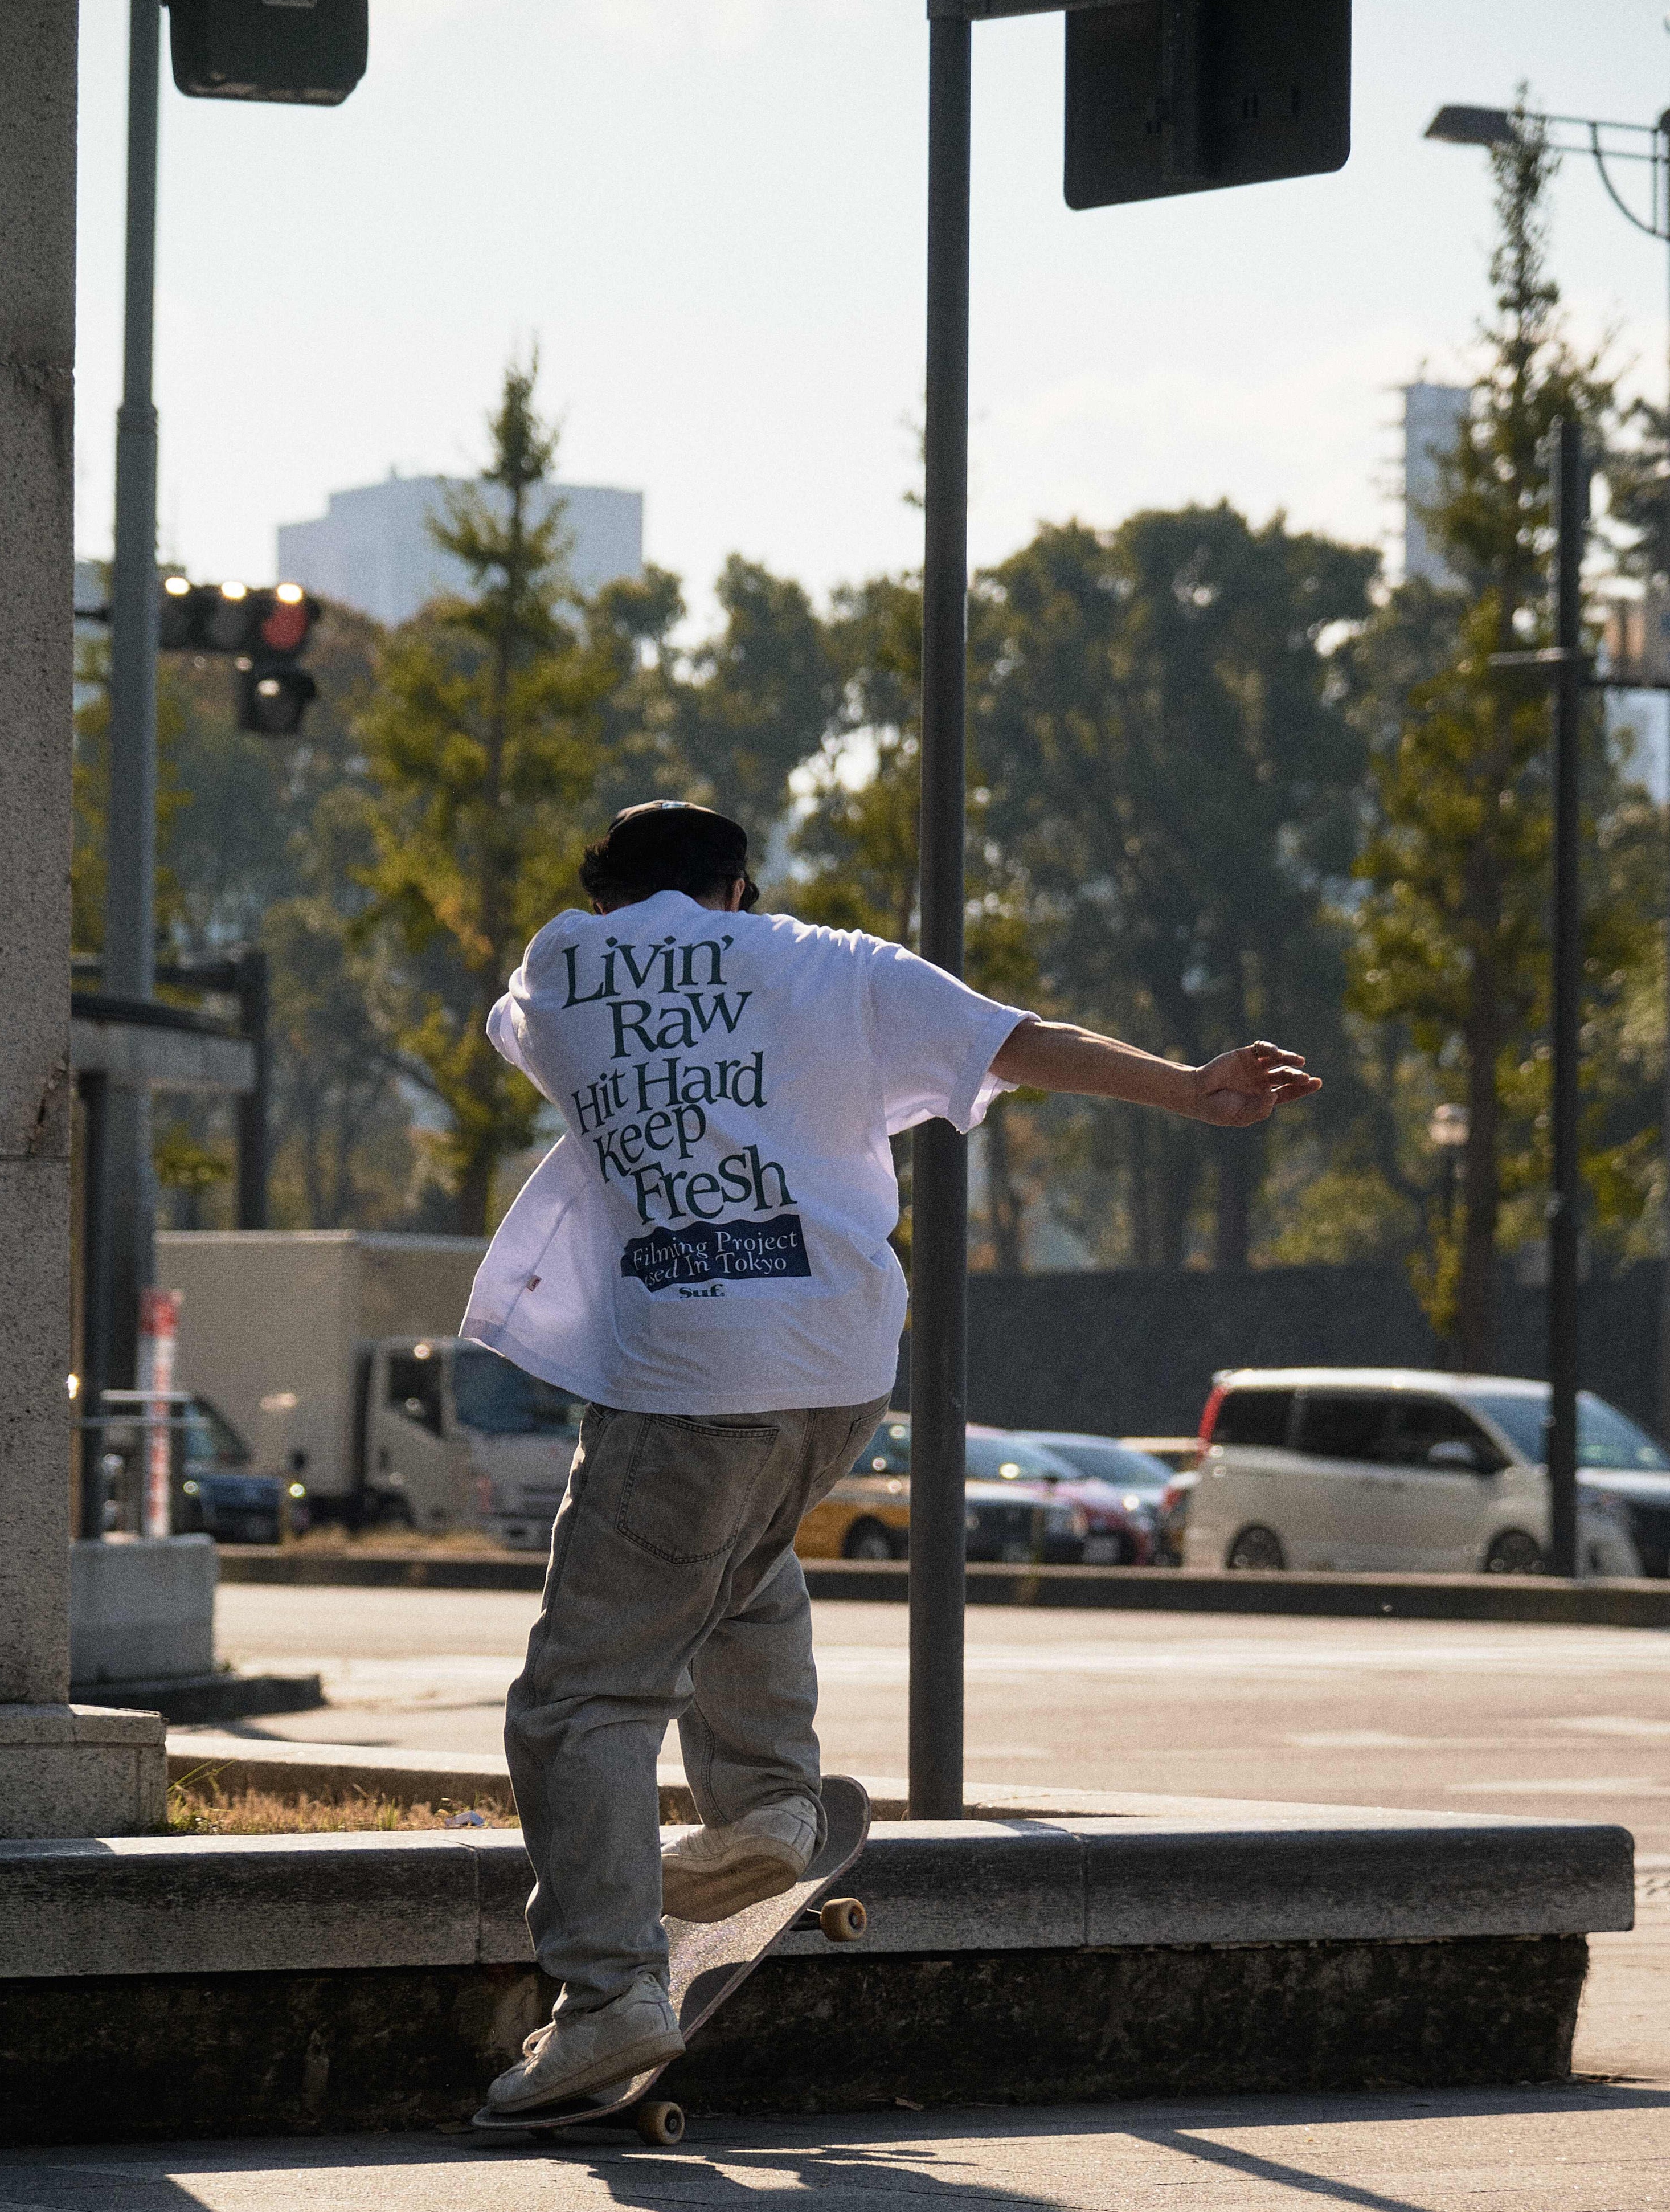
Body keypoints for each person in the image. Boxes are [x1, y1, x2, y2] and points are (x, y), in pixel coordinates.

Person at [462, 799, 1320, 2113]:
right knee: (736, 1556)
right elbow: (1021, 1045)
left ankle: (609, 1990)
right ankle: (762, 1804)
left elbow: (545, 1037)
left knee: (582, 1696)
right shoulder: (836, 961)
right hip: (842, 1362)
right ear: (740, 888)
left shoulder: (561, 964)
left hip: (686, 1366)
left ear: (603, 889)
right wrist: (1190, 1085)